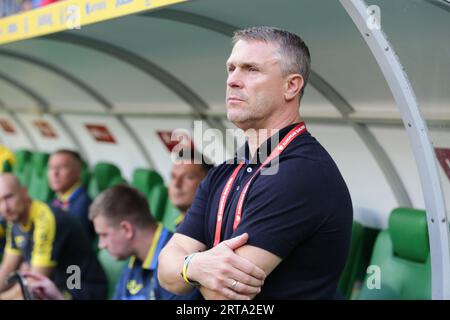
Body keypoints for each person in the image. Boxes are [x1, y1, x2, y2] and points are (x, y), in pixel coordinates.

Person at [158, 26, 353, 300]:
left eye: (251, 69)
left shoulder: (301, 173)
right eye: (231, 68)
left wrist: (187, 267)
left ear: (291, 85)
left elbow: (220, 294)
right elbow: (165, 270)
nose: (233, 81)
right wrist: (194, 266)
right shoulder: (224, 172)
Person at [0, 173, 107, 300]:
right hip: (55, 285)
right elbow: (7, 267)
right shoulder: (14, 221)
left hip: (80, 287)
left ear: (24, 192)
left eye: (9, 197)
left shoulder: (45, 220)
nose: (5, 207)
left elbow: (33, 284)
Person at [48, 149, 94, 239]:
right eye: (51, 168)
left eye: (62, 167)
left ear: (78, 171)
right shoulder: (58, 199)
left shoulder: (82, 205)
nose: (55, 173)